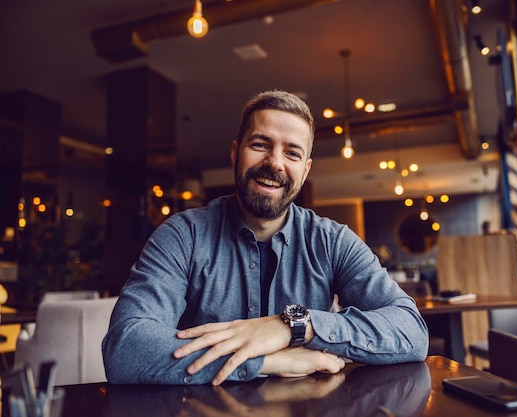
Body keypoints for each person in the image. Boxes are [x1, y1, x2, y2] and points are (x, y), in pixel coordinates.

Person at [102, 90, 429, 386]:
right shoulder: (182, 235)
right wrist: (268, 361)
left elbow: (411, 330)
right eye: (260, 145)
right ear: (235, 153)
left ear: (306, 169)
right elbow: (126, 348)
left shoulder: (332, 240)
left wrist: (295, 327)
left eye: (292, 153)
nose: (274, 163)